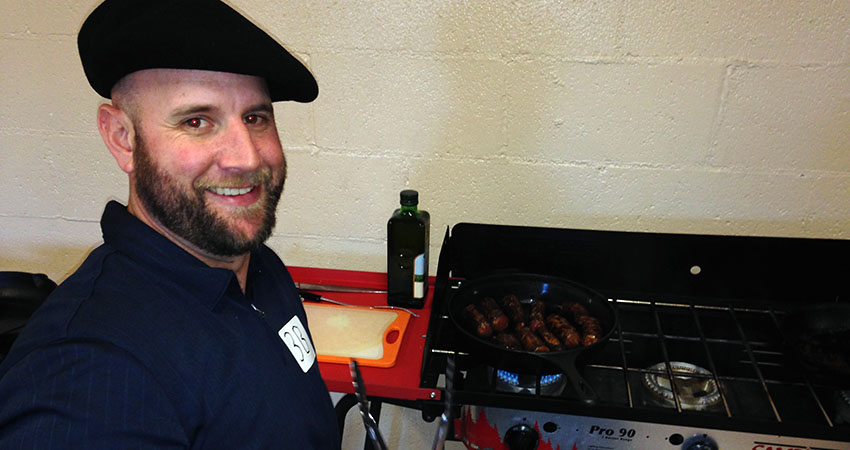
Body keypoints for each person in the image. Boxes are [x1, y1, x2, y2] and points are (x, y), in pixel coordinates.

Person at [0, 1, 341, 448]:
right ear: (122, 138)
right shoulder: (86, 377)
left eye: (255, 118)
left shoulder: (257, 266)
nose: (248, 157)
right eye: (197, 121)